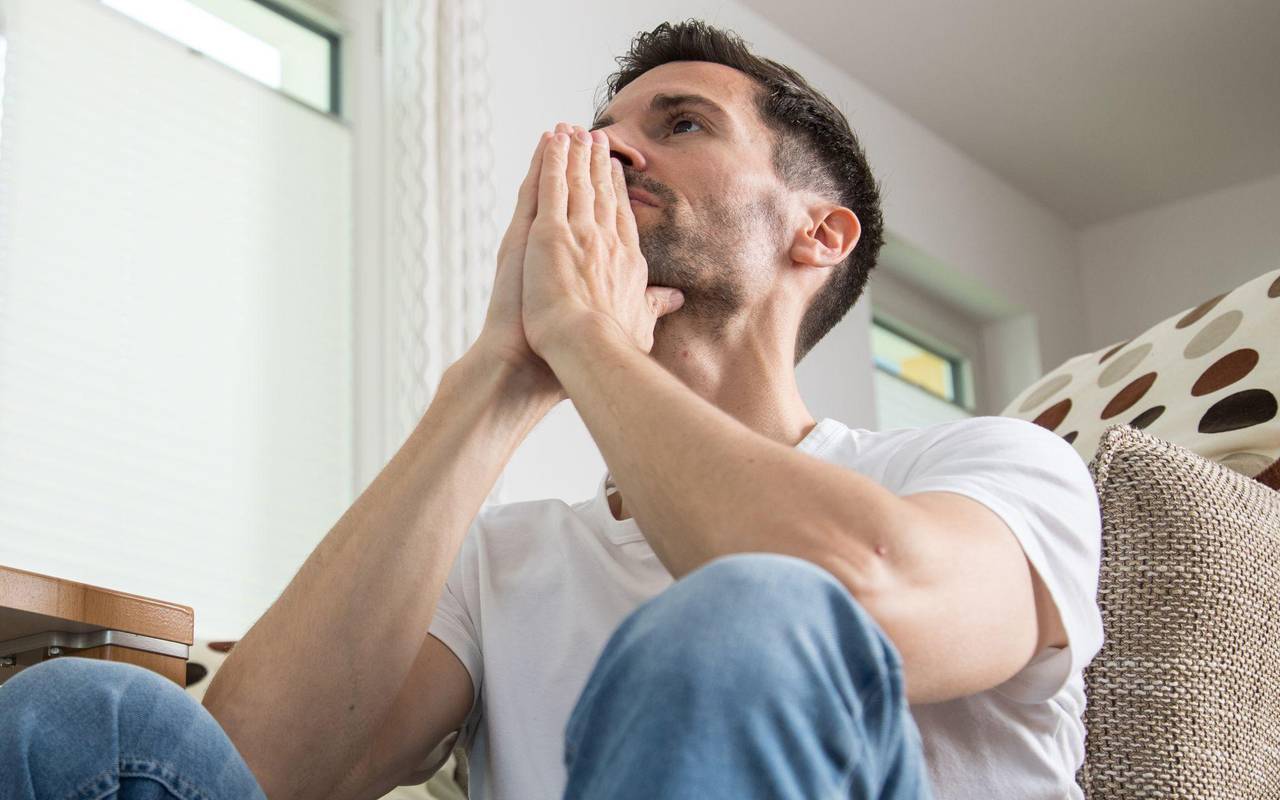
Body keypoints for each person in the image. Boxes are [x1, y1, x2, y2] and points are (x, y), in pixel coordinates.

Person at [0, 19, 1102, 800]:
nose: (608, 147)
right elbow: (250, 770)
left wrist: (582, 336)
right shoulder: (507, 561)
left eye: (680, 123)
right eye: (602, 127)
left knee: (740, 614)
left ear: (817, 233)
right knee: (81, 714)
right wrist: (502, 369)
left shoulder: (990, 466)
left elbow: (859, 595)